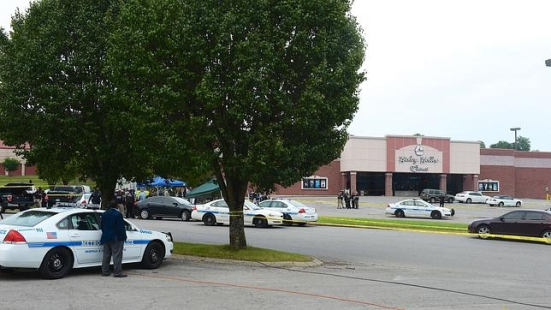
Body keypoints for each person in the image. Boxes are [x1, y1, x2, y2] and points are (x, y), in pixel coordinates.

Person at [100, 200, 128, 277]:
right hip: (116, 237)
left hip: (106, 236)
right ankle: (117, 272)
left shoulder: (105, 214)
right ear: (117, 206)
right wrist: (123, 236)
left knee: (106, 255)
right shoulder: (118, 215)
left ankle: (105, 271)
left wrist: (105, 233)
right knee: (117, 255)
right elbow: (120, 228)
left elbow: (102, 226)